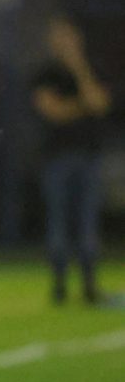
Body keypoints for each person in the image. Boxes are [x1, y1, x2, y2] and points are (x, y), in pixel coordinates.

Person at [31, 15, 112, 305]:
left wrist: (80, 70)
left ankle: (89, 284)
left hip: (89, 157)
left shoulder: (93, 68)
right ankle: (60, 284)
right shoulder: (46, 73)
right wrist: (82, 105)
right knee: (59, 222)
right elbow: (53, 112)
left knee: (88, 222)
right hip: (56, 159)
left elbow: (100, 104)